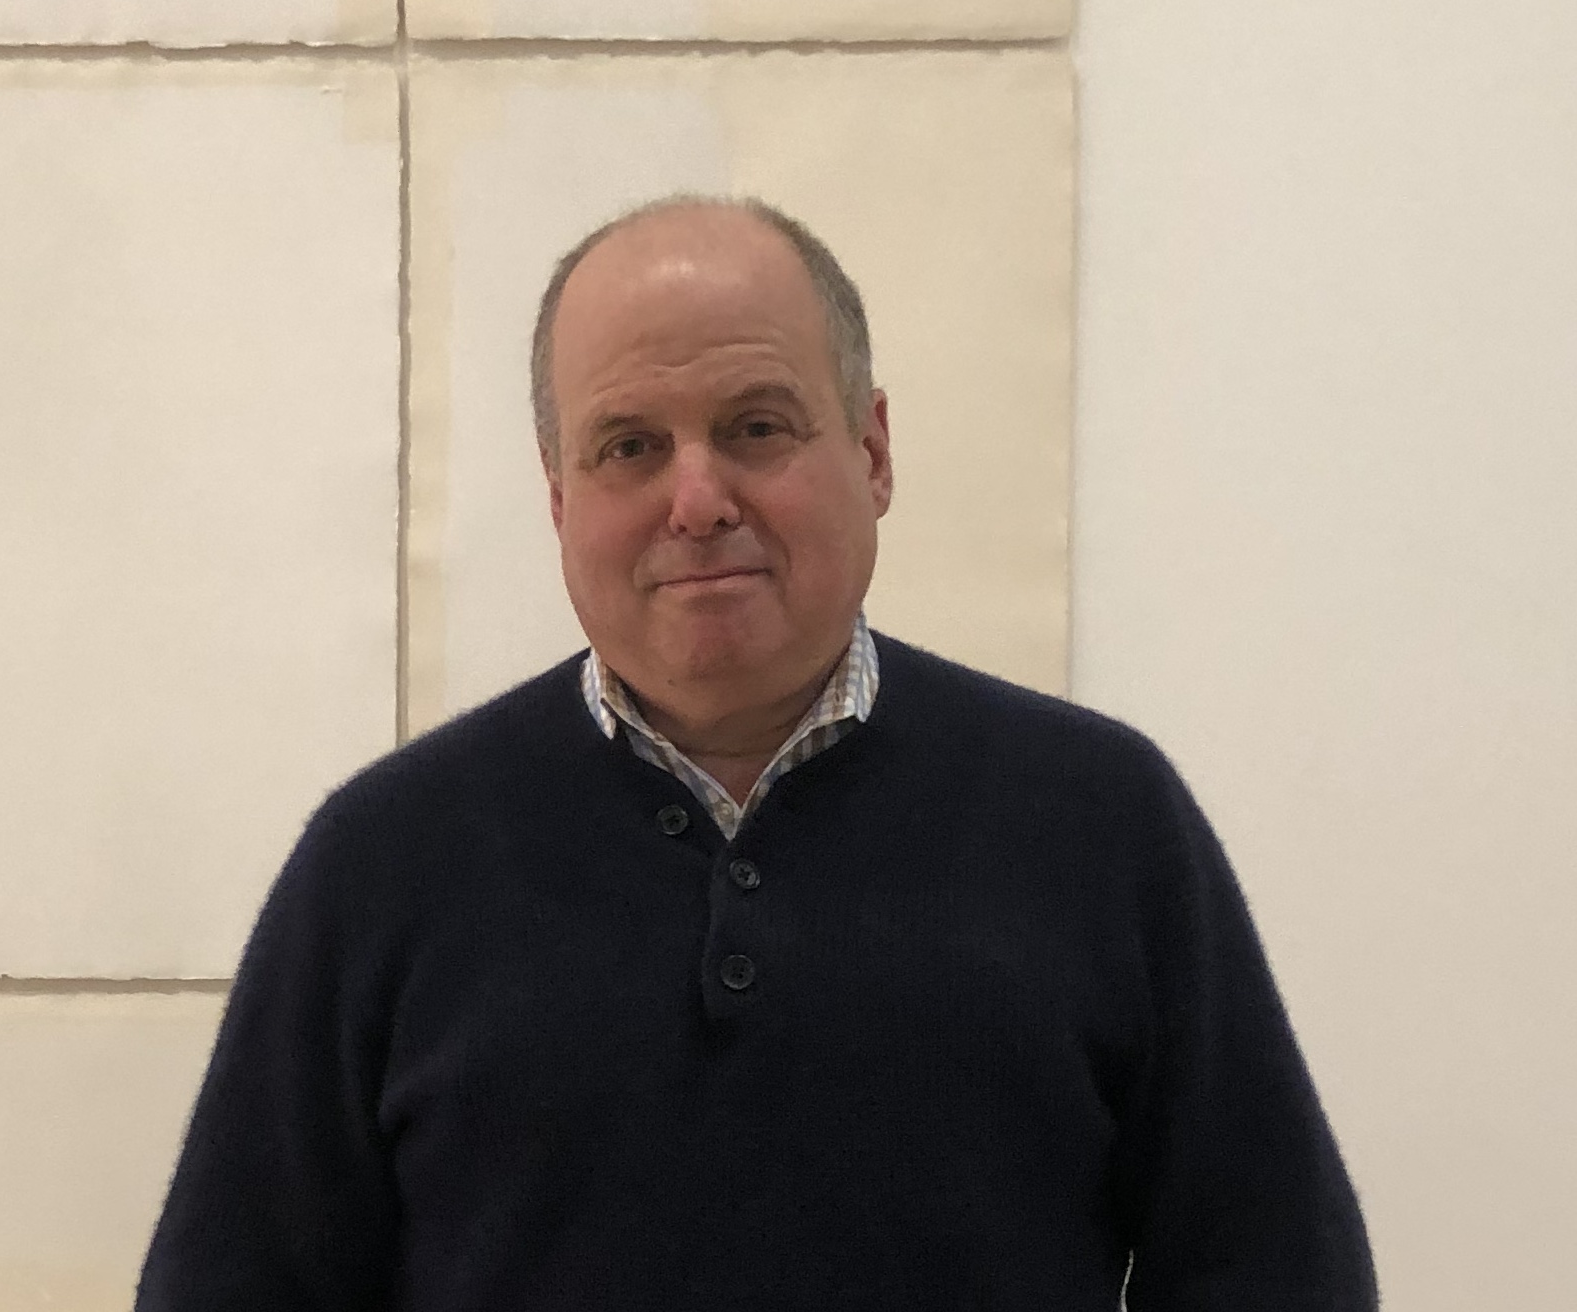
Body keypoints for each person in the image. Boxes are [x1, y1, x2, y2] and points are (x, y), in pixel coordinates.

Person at [137, 196, 1377, 1310]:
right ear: (560, 499)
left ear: (873, 451)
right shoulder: (384, 864)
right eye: (628, 446)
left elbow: (1271, 1273)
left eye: (755, 427)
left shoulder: (1102, 823)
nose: (696, 499)